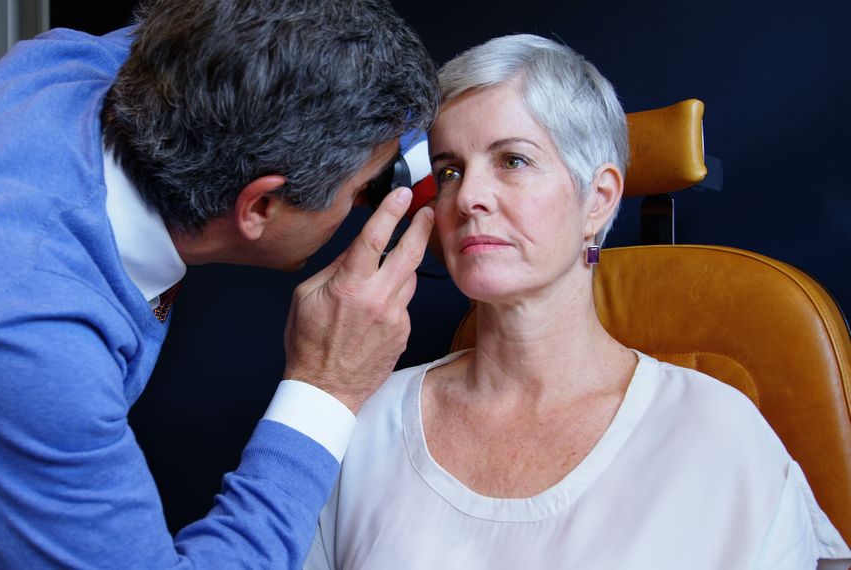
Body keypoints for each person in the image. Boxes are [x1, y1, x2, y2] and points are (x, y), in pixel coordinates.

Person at [0, 0, 439, 567]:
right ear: (260, 206)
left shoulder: (99, 66)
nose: (372, 198)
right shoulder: (20, 334)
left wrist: (414, 155)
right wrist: (326, 388)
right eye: (366, 188)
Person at [305, 34, 851, 569]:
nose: (468, 197)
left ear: (599, 198)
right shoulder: (363, 424)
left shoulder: (720, 434)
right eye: (450, 171)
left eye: (512, 161)